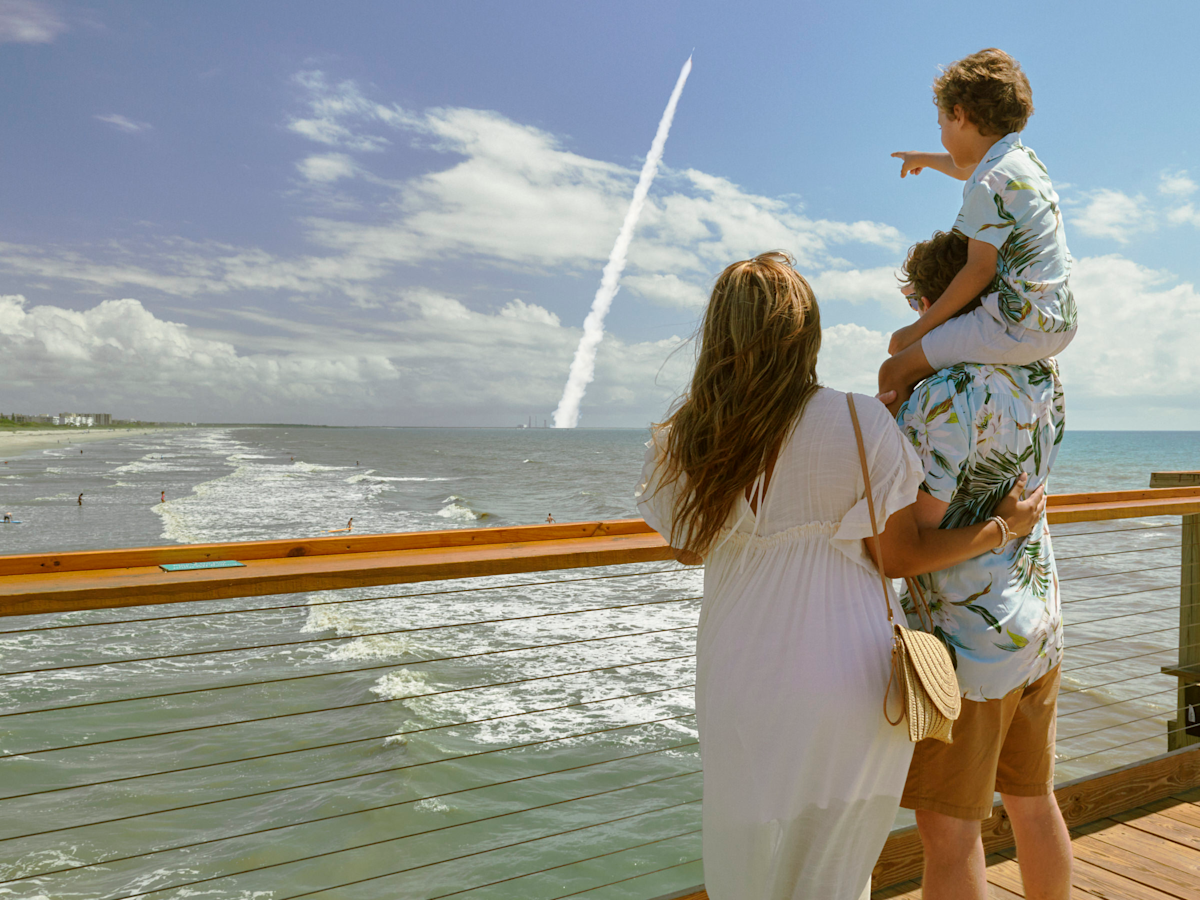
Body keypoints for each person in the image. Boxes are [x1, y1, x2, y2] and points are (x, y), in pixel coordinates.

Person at [635, 252, 1046, 900]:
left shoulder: (683, 436)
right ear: (808, 334)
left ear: (719, 333)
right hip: (846, 675)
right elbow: (898, 555)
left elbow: (690, 549)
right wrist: (1002, 529)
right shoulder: (860, 420)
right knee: (832, 864)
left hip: (738, 670)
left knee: (747, 848)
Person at [895, 231, 1070, 899]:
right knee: (1033, 801)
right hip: (1035, 626)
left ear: (942, 306)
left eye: (916, 301)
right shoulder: (1042, 375)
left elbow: (918, 529)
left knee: (948, 834)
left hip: (967, 650)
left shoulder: (942, 394)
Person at [880, 48, 1076, 414]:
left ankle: (898, 469)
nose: (940, 134)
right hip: (1058, 318)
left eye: (941, 125)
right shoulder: (1021, 162)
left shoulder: (988, 182)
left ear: (959, 114)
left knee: (894, 367)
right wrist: (921, 158)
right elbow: (964, 166)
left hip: (1015, 321)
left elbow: (978, 270)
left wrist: (916, 332)